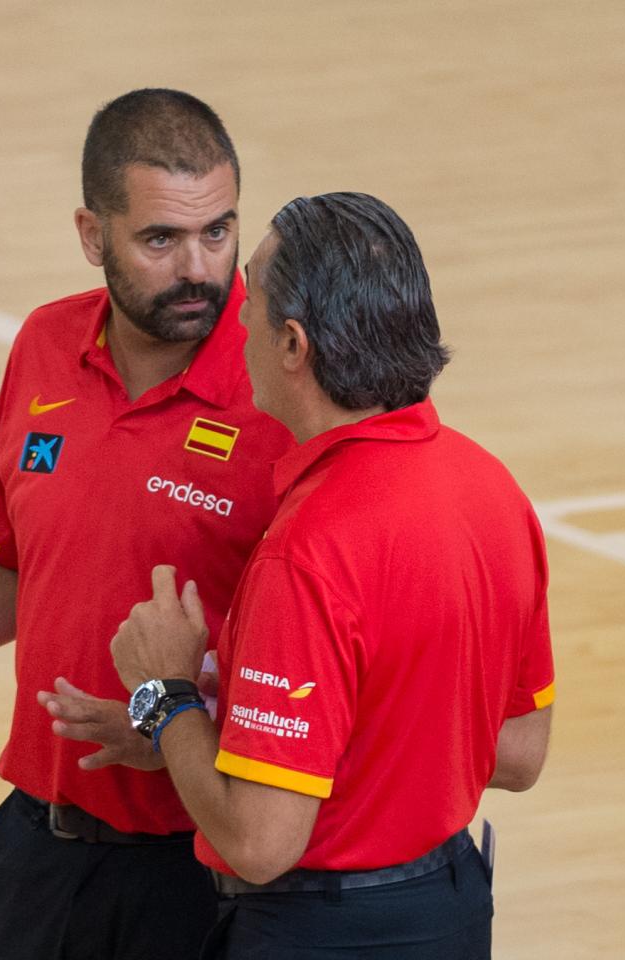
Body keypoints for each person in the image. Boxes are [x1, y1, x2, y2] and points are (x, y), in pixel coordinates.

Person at [0, 88, 292, 960]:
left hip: (202, 869)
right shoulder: (43, 346)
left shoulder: (281, 387)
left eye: (218, 232)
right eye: (161, 239)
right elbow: (14, 564)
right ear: (91, 235)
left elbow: (331, 646)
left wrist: (178, 722)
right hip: (40, 850)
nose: (199, 268)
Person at [105, 192, 555, 959]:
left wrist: (166, 695)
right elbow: (517, 752)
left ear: (292, 345)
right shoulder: (492, 491)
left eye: (250, 296)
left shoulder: (307, 552)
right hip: (449, 915)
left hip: (318, 934)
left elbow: (260, 841)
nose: (233, 318)